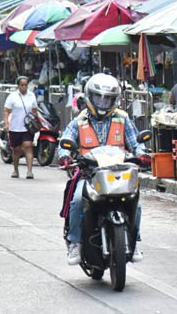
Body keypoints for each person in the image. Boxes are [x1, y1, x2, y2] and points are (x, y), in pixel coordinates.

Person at [58, 73, 146, 265]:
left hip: (119, 174)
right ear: (90, 96)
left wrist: (141, 153)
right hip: (89, 174)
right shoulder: (79, 121)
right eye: (99, 97)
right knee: (77, 200)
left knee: (136, 204)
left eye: (108, 98)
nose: (103, 102)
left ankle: (134, 239)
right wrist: (64, 156)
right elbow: (65, 142)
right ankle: (75, 242)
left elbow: (136, 142)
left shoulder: (123, 120)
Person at [3, 76, 38, 179]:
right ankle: (16, 170)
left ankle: (29, 171)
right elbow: (6, 111)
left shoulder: (31, 96)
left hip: (28, 127)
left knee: (28, 146)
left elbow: (35, 110)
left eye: (26, 85)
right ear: (18, 86)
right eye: (22, 85)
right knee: (17, 150)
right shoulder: (12, 96)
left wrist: (36, 121)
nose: (24, 87)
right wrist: (6, 124)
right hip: (15, 127)